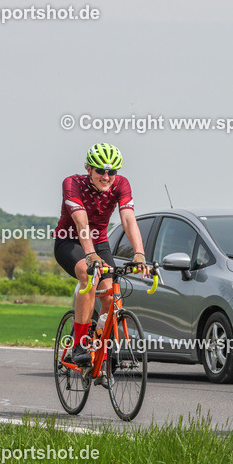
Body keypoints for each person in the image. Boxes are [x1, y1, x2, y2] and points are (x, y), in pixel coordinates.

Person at [53, 143, 149, 366]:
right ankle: (78, 345)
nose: (106, 177)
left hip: (100, 243)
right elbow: (80, 221)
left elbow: (127, 219)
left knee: (111, 296)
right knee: (89, 276)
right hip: (70, 241)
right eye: (100, 171)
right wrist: (90, 255)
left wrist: (139, 253)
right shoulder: (72, 183)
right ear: (88, 169)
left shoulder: (121, 184)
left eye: (112, 172)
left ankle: (99, 345)